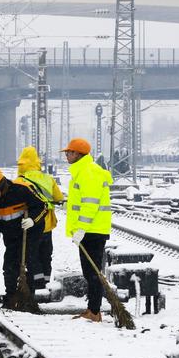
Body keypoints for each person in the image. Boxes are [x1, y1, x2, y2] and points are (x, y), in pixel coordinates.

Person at [62, 138, 113, 323]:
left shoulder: (88, 173)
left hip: (92, 230)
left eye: (69, 152)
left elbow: (90, 204)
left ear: (78, 154)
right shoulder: (83, 171)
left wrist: (81, 228)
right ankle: (93, 309)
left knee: (92, 272)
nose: (67, 155)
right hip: (90, 230)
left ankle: (94, 311)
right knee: (91, 271)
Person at [0, 169, 48, 308]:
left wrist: (32, 220)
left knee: (28, 260)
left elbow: (43, 206)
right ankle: (11, 297)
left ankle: (28, 297)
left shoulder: (22, 191)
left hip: (30, 232)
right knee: (9, 264)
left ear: (2, 185)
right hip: (10, 234)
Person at [15, 146, 65, 289]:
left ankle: (35, 285)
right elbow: (59, 198)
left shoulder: (19, 181)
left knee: (32, 256)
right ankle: (46, 283)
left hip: (30, 225)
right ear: (37, 162)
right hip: (47, 224)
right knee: (46, 255)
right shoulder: (48, 179)